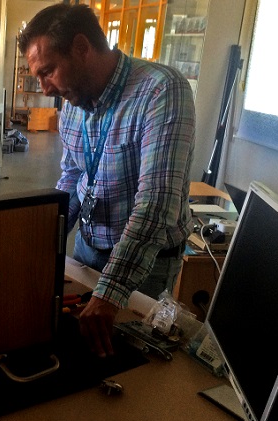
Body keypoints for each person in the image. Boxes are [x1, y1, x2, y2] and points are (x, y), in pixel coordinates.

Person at [18, 4, 196, 357]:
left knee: (131, 369)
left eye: (48, 71)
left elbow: (156, 205)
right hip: (88, 248)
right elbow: (72, 176)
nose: (45, 87)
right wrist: (39, 243)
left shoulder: (161, 91)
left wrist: (110, 291)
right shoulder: (74, 100)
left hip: (145, 264)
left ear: (82, 48)